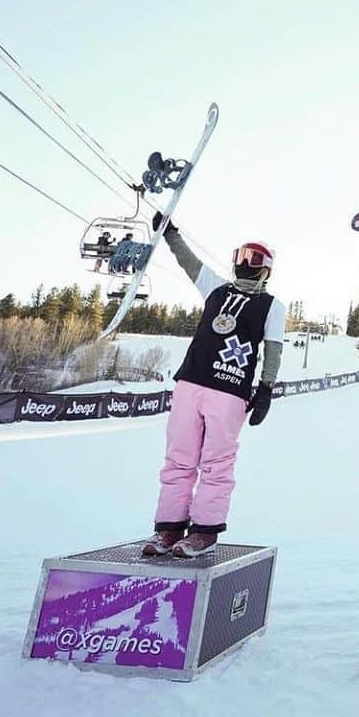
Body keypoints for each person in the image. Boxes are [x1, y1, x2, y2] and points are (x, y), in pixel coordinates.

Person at [141, 215, 286, 558]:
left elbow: (274, 349)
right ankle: (169, 528)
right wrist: (170, 233)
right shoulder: (215, 288)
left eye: (256, 260)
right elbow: (187, 261)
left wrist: (265, 389)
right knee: (178, 458)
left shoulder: (272, 306)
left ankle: (204, 531)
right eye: (242, 257)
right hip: (191, 382)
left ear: (266, 270)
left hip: (230, 391)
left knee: (217, 462)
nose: (246, 265)